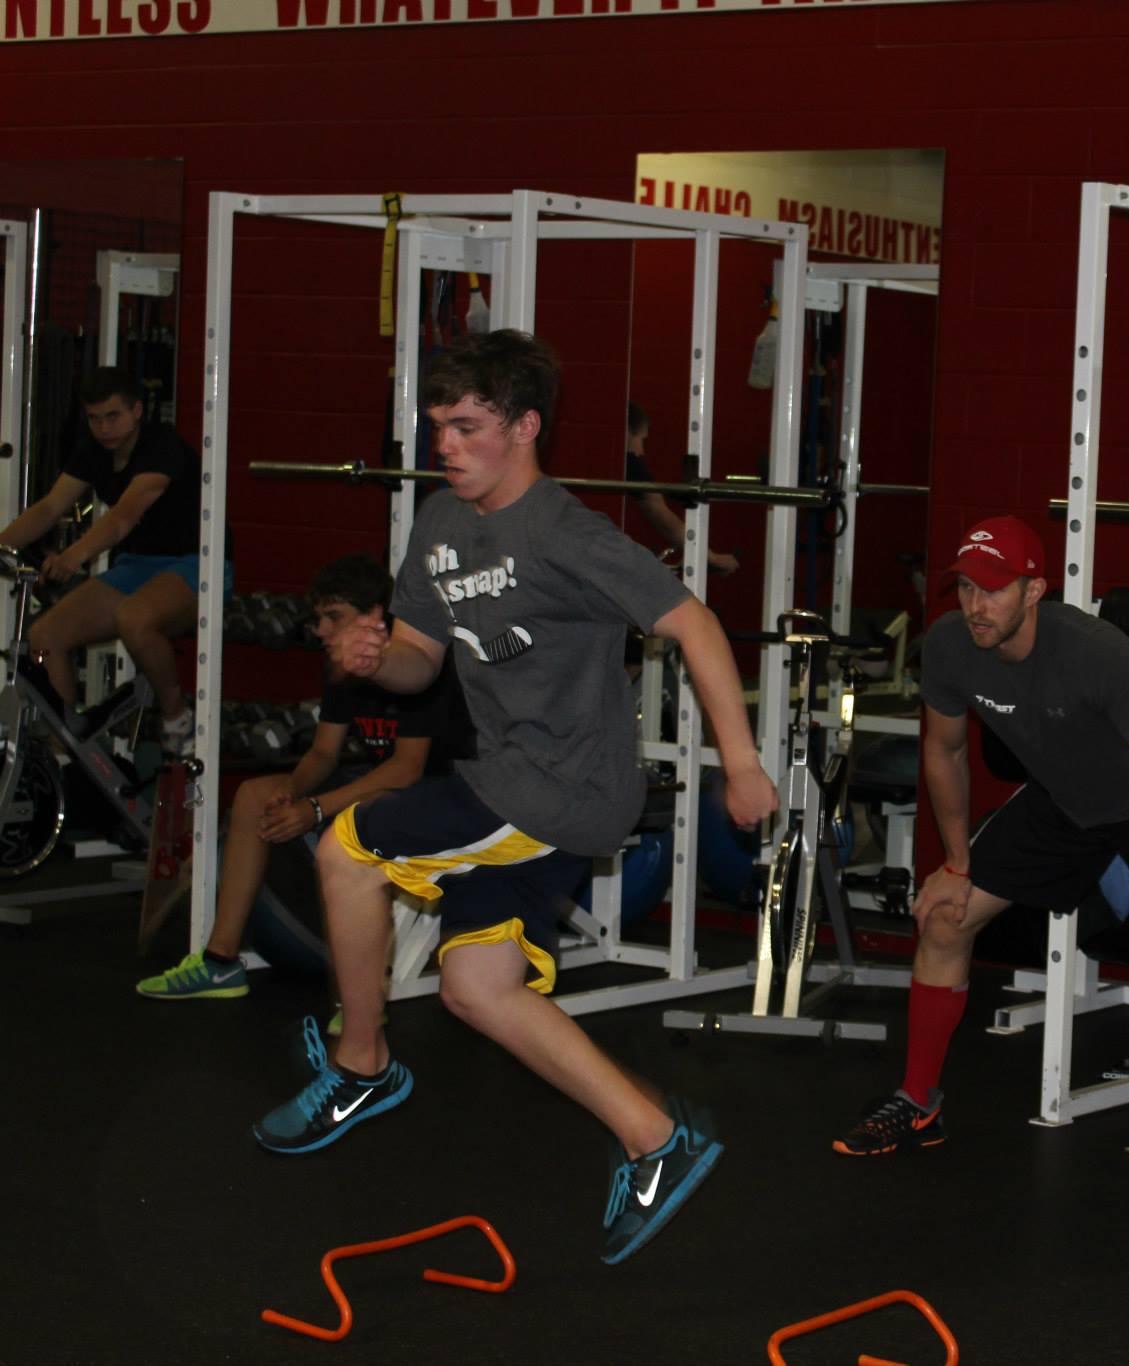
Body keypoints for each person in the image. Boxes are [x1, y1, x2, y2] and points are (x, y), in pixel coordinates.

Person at [249, 331, 779, 1268]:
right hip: (510, 785)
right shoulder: (439, 524)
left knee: (345, 846)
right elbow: (420, 661)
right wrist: (377, 658)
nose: (445, 445)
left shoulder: (564, 533)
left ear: (525, 427)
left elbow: (694, 622)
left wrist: (740, 764)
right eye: (437, 427)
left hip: (561, 786)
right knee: (476, 988)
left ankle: (360, 1064)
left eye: (467, 427)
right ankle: (656, 1139)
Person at [831, 515, 1129, 1225]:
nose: (976, 605)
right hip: (1064, 801)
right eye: (966, 588)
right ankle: (918, 1103)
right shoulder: (950, 645)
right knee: (945, 918)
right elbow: (944, 751)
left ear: (1034, 589)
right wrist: (955, 863)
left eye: (994, 589)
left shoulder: (1095, 652)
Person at [135, 553, 468, 1002]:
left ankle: (356, 999)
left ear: (375, 615)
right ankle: (220, 962)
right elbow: (324, 753)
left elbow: (406, 770)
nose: (321, 630)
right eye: (319, 618)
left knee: (347, 826)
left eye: (335, 617)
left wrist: (313, 809)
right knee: (255, 795)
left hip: (440, 793)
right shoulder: (343, 667)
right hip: (380, 783)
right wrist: (291, 791)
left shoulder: (417, 666)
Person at [0, 367, 231, 752]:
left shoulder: (162, 446)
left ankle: (177, 717)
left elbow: (125, 515)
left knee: (134, 618)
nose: (104, 428)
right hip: (137, 566)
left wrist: (74, 556)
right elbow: (50, 507)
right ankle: (65, 750)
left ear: (136, 410)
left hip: (197, 563)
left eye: (113, 416)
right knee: (45, 636)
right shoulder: (93, 451)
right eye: (95, 419)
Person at [625, 400, 739, 576]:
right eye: (641, 439)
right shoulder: (629, 462)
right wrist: (711, 557)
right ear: (625, 431)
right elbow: (657, 511)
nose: (642, 451)